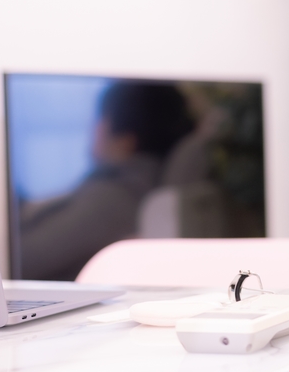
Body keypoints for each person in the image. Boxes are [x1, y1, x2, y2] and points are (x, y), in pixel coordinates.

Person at [17, 82, 195, 281]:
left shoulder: (113, 199)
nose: (94, 129)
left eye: (100, 119)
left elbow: (20, 258)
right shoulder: (138, 187)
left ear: (126, 140)